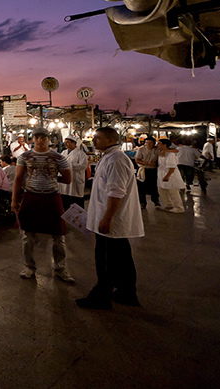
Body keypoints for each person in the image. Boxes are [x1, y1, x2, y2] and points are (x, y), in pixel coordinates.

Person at [76, 127, 144, 310]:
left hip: (112, 221)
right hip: (109, 218)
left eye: (97, 138)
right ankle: (127, 292)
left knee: (106, 260)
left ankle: (101, 297)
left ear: (110, 139)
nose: (93, 141)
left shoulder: (116, 160)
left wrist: (107, 218)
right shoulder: (109, 157)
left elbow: (116, 192)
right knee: (122, 258)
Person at [11, 127, 73, 282]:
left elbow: (67, 179)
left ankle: (60, 268)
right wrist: (14, 200)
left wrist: (49, 178)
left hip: (52, 197)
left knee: (58, 235)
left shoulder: (58, 157)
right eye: (37, 137)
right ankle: (29, 266)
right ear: (33, 139)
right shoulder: (24, 157)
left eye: (43, 137)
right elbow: (18, 178)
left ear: (48, 139)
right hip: (30, 196)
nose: (40, 140)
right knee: (27, 235)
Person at [59, 136, 88, 209]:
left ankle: (80, 218)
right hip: (65, 179)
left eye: (68, 143)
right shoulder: (63, 152)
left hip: (76, 179)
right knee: (65, 199)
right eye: (65, 143)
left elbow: (83, 166)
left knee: (77, 200)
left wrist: (69, 166)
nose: (66, 144)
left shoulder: (81, 154)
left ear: (74, 143)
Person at [156, 138, 185, 213]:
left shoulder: (170, 154)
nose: (157, 145)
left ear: (164, 145)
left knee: (173, 191)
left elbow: (172, 167)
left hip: (169, 174)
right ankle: (168, 204)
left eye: (159, 143)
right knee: (161, 190)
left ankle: (179, 207)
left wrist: (167, 176)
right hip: (161, 174)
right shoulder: (161, 152)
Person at [134, 137, 160, 209]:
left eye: (150, 143)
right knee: (141, 186)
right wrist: (147, 163)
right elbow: (137, 160)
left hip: (153, 170)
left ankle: (155, 200)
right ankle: (142, 202)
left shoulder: (157, 150)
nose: (148, 144)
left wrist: (155, 163)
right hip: (143, 169)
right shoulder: (141, 149)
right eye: (146, 143)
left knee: (154, 185)